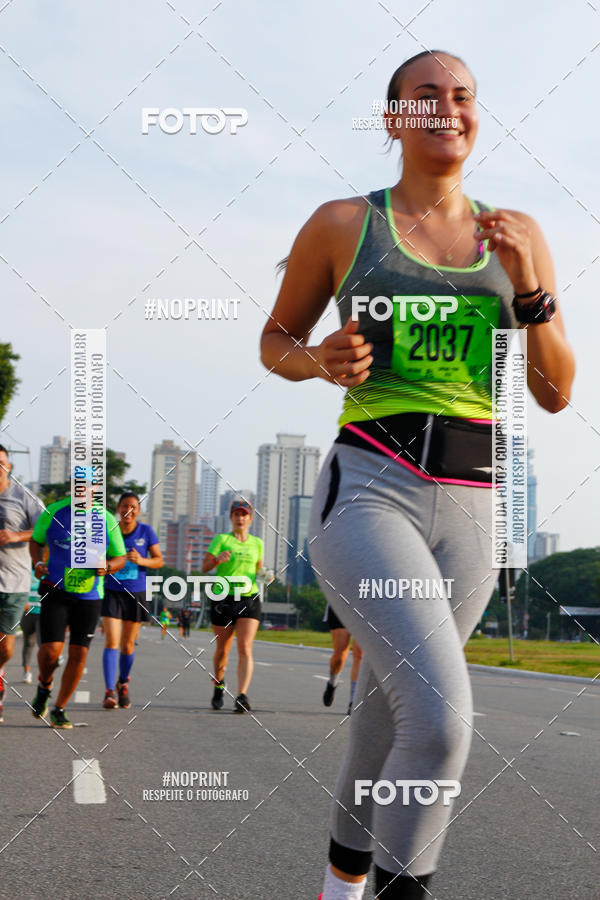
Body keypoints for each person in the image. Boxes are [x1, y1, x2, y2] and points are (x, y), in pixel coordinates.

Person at [261, 50, 575, 900]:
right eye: (426, 96)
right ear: (394, 117)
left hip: (474, 503)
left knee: (382, 720)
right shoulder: (341, 223)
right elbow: (274, 342)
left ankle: (338, 890)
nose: (448, 109)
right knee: (438, 724)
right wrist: (319, 357)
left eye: (464, 96)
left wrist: (536, 295)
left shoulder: (517, 232)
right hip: (371, 486)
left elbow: (555, 391)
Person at [30, 495, 126, 728]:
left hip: (90, 595)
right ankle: (44, 684)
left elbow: (120, 556)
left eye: (87, 488)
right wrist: (37, 563)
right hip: (55, 589)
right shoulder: (54, 511)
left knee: (79, 653)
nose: (82, 492)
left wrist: (109, 567)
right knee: (51, 651)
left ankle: (59, 708)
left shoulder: (105, 518)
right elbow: (35, 541)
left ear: (95, 491)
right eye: (77, 486)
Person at [202, 499, 264, 713]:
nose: (240, 518)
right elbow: (204, 566)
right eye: (237, 514)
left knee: (245, 647)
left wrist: (267, 575)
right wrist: (217, 559)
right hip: (223, 598)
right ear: (231, 517)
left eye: (244, 514)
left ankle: (242, 695)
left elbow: (259, 570)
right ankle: (219, 685)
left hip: (249, 597)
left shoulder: (257, 543)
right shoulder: (221, 539)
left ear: (250, 518)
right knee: (222, 650)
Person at [101, 493, 163, 710]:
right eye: (125, 506)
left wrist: (141, 559)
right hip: (111, 591)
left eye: (134, 506)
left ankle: (123, 683)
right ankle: (109, 691)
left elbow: (159, 560)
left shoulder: (146, 532)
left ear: (139, 510)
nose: (129, 510)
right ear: (118, 508)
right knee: (112, 641)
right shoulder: (109, 529)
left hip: (136, 593)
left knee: (128, 644)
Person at [0, 445, 42, 723]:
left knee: (5, 646)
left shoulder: (22, 496)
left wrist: (15, 536)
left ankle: (0, 673)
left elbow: (44, 530)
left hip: (14, 581)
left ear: (9, 466)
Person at [322, 605, 363, 716]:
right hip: (341, 602)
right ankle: (332, 682)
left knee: (359, 654)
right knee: (339, 657)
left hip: (367, 602)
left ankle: (353, 701)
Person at [20, 573, 42, 684]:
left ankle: (43, 674)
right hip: (28, 613)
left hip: (43, 614)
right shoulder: (27, 572)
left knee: (42, 644)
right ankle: (26, 672)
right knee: (28, 642)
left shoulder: (49, 572)